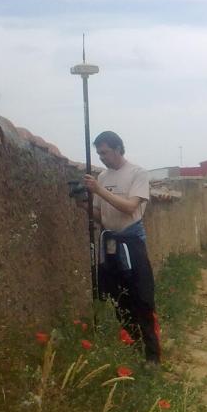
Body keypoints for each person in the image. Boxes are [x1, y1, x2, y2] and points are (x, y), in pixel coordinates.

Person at [81, 130, 162, 365]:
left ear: (117, 149)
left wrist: (98, 191)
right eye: (98, 153)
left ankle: (152, 355)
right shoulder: (103, 177)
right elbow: (100, 216)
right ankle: (133, 348)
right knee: (119, 299)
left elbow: (129, 208)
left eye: (104, 152)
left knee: (142, 298)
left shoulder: (137, 174)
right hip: (110, 242)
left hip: (132, 242)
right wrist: (82, 203)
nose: (101, 157)